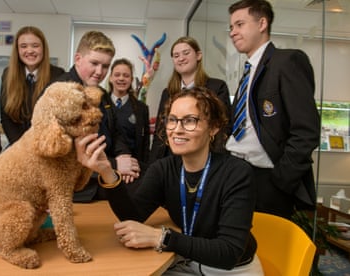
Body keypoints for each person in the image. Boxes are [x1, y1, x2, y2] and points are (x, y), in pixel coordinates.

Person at [75, 87, 263, 275]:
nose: (177, 130)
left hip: (230, 270)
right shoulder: (163, 169)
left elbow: (229, 252)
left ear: (213, 127)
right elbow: (132, 217)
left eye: (190, 121)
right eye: (172, 120)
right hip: (185, 260)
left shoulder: (237, 173)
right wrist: (107, 172)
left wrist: (162, 238)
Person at [226, 0, 320, 219]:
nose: (233, 32)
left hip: (269, 180)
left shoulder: (287, 61)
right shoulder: (248, 71)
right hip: (238, 172)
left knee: (267, 249)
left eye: (239, 24)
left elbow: (306, 130)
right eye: (231, 27)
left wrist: (282, 178)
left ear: (262, 24)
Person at [52, 31, 141, 201]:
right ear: (78, 59)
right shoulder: (59, 93)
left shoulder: (101, 93)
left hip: (104, 175)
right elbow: (59, 151)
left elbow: (115, 132)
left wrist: (124, 157)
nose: (100, 72)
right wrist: (115, 164)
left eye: (106, 66)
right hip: (77, 185)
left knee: (146, 179)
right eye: (94, 63)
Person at [149, 36, 231, 164]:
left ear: (198, 55)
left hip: (203, 160)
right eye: (176, 56)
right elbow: (160, 133)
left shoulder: (217, 88)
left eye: (186, 53)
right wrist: (152, 166)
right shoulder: (168, 93)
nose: (181, 58)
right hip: (170, 160)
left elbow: (223, 130)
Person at [0, 26, 64, 145]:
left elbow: (58, 120)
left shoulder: (58, 75)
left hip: (46, 145)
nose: (29, 50)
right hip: (17, 145)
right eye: (23, 46)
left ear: (43, 48)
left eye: (35, 46)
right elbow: (6, 117)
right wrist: (20, 146)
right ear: (17, 50)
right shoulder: (8, 74)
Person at [107, 58, 150, 173]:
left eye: (126, 75)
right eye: (117, 75)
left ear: (131, 79)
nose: (121, 78)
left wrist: (141, 167)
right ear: (110, 78)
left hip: (133, 170)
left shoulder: (141, 109)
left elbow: (145, 143)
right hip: (107, 166)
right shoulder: (100, 104)